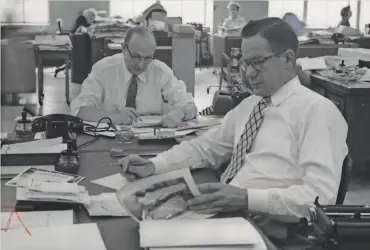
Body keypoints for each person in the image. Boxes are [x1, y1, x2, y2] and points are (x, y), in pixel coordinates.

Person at [118, 18, 348, 240]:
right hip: (230, 213)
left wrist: (247, 199)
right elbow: (204, 148)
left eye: (257, 62)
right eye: (245, 63)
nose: (248, 73)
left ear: (288, 59)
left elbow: (320, 198)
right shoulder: (252, 104)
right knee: (136, 227)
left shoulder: (317, 112)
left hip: (271, 227)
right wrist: (154, 165)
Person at [70, 26, 197, 128]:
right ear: (123, 49)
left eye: (147, 58)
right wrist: (114, 117)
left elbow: (190, 106)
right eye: (135, 56)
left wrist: (179, 113)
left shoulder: (161, 71)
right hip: (111, 138)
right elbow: (79, 110)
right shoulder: (103, 69)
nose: (141, 65)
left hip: (150, 139)